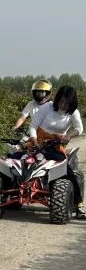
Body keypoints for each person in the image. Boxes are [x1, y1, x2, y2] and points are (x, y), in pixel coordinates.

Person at [29, 85, 84, 218]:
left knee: (68, 173)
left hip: (54, 146)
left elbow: (79, 128)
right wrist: (35, 141)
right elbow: (33, 126)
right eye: (61, 101)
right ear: (57, 99)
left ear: (72, 104)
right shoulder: (47, 107)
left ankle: (78, 204)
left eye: (67, 103)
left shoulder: (73, 113)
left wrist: (69, 135)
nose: (63, 105)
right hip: (37, 141)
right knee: (17, 159)